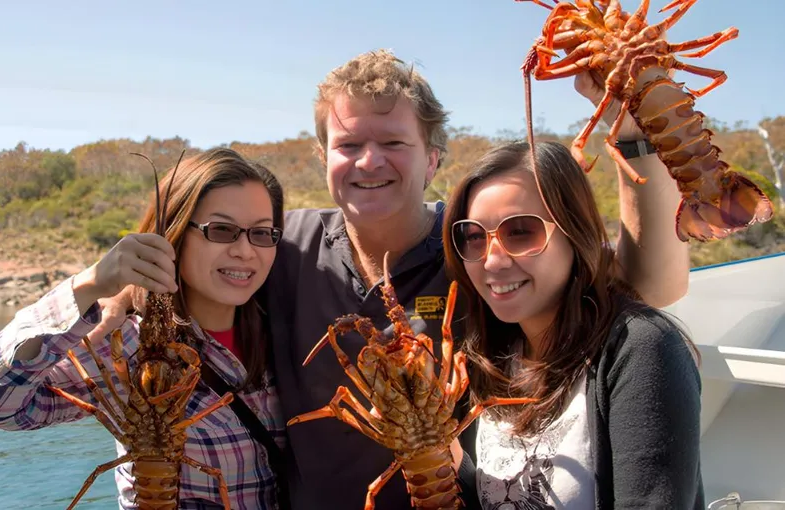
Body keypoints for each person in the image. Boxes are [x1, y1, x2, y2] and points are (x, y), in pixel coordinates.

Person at [92, 49, 692, 509]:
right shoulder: (278, 243)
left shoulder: (474, 248)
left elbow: (642, 291)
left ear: (433, 157)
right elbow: (200, 261)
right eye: (348, 143)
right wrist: (125, 289)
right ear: (322, 156)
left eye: (394, 143)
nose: (370, 161)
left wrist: (634, 134)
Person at [0, 148, 288, 509]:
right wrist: (88, 286)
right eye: (222, 230)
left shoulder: (288, 328)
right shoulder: (124, 344)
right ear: (176, 235)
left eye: (262, 233)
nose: (245, 251)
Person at [442, 140, 703, 509]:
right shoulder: (488, 361)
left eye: (520, 231)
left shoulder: (641, 349)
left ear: (573, 232)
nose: (493, 261)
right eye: (473, 237)